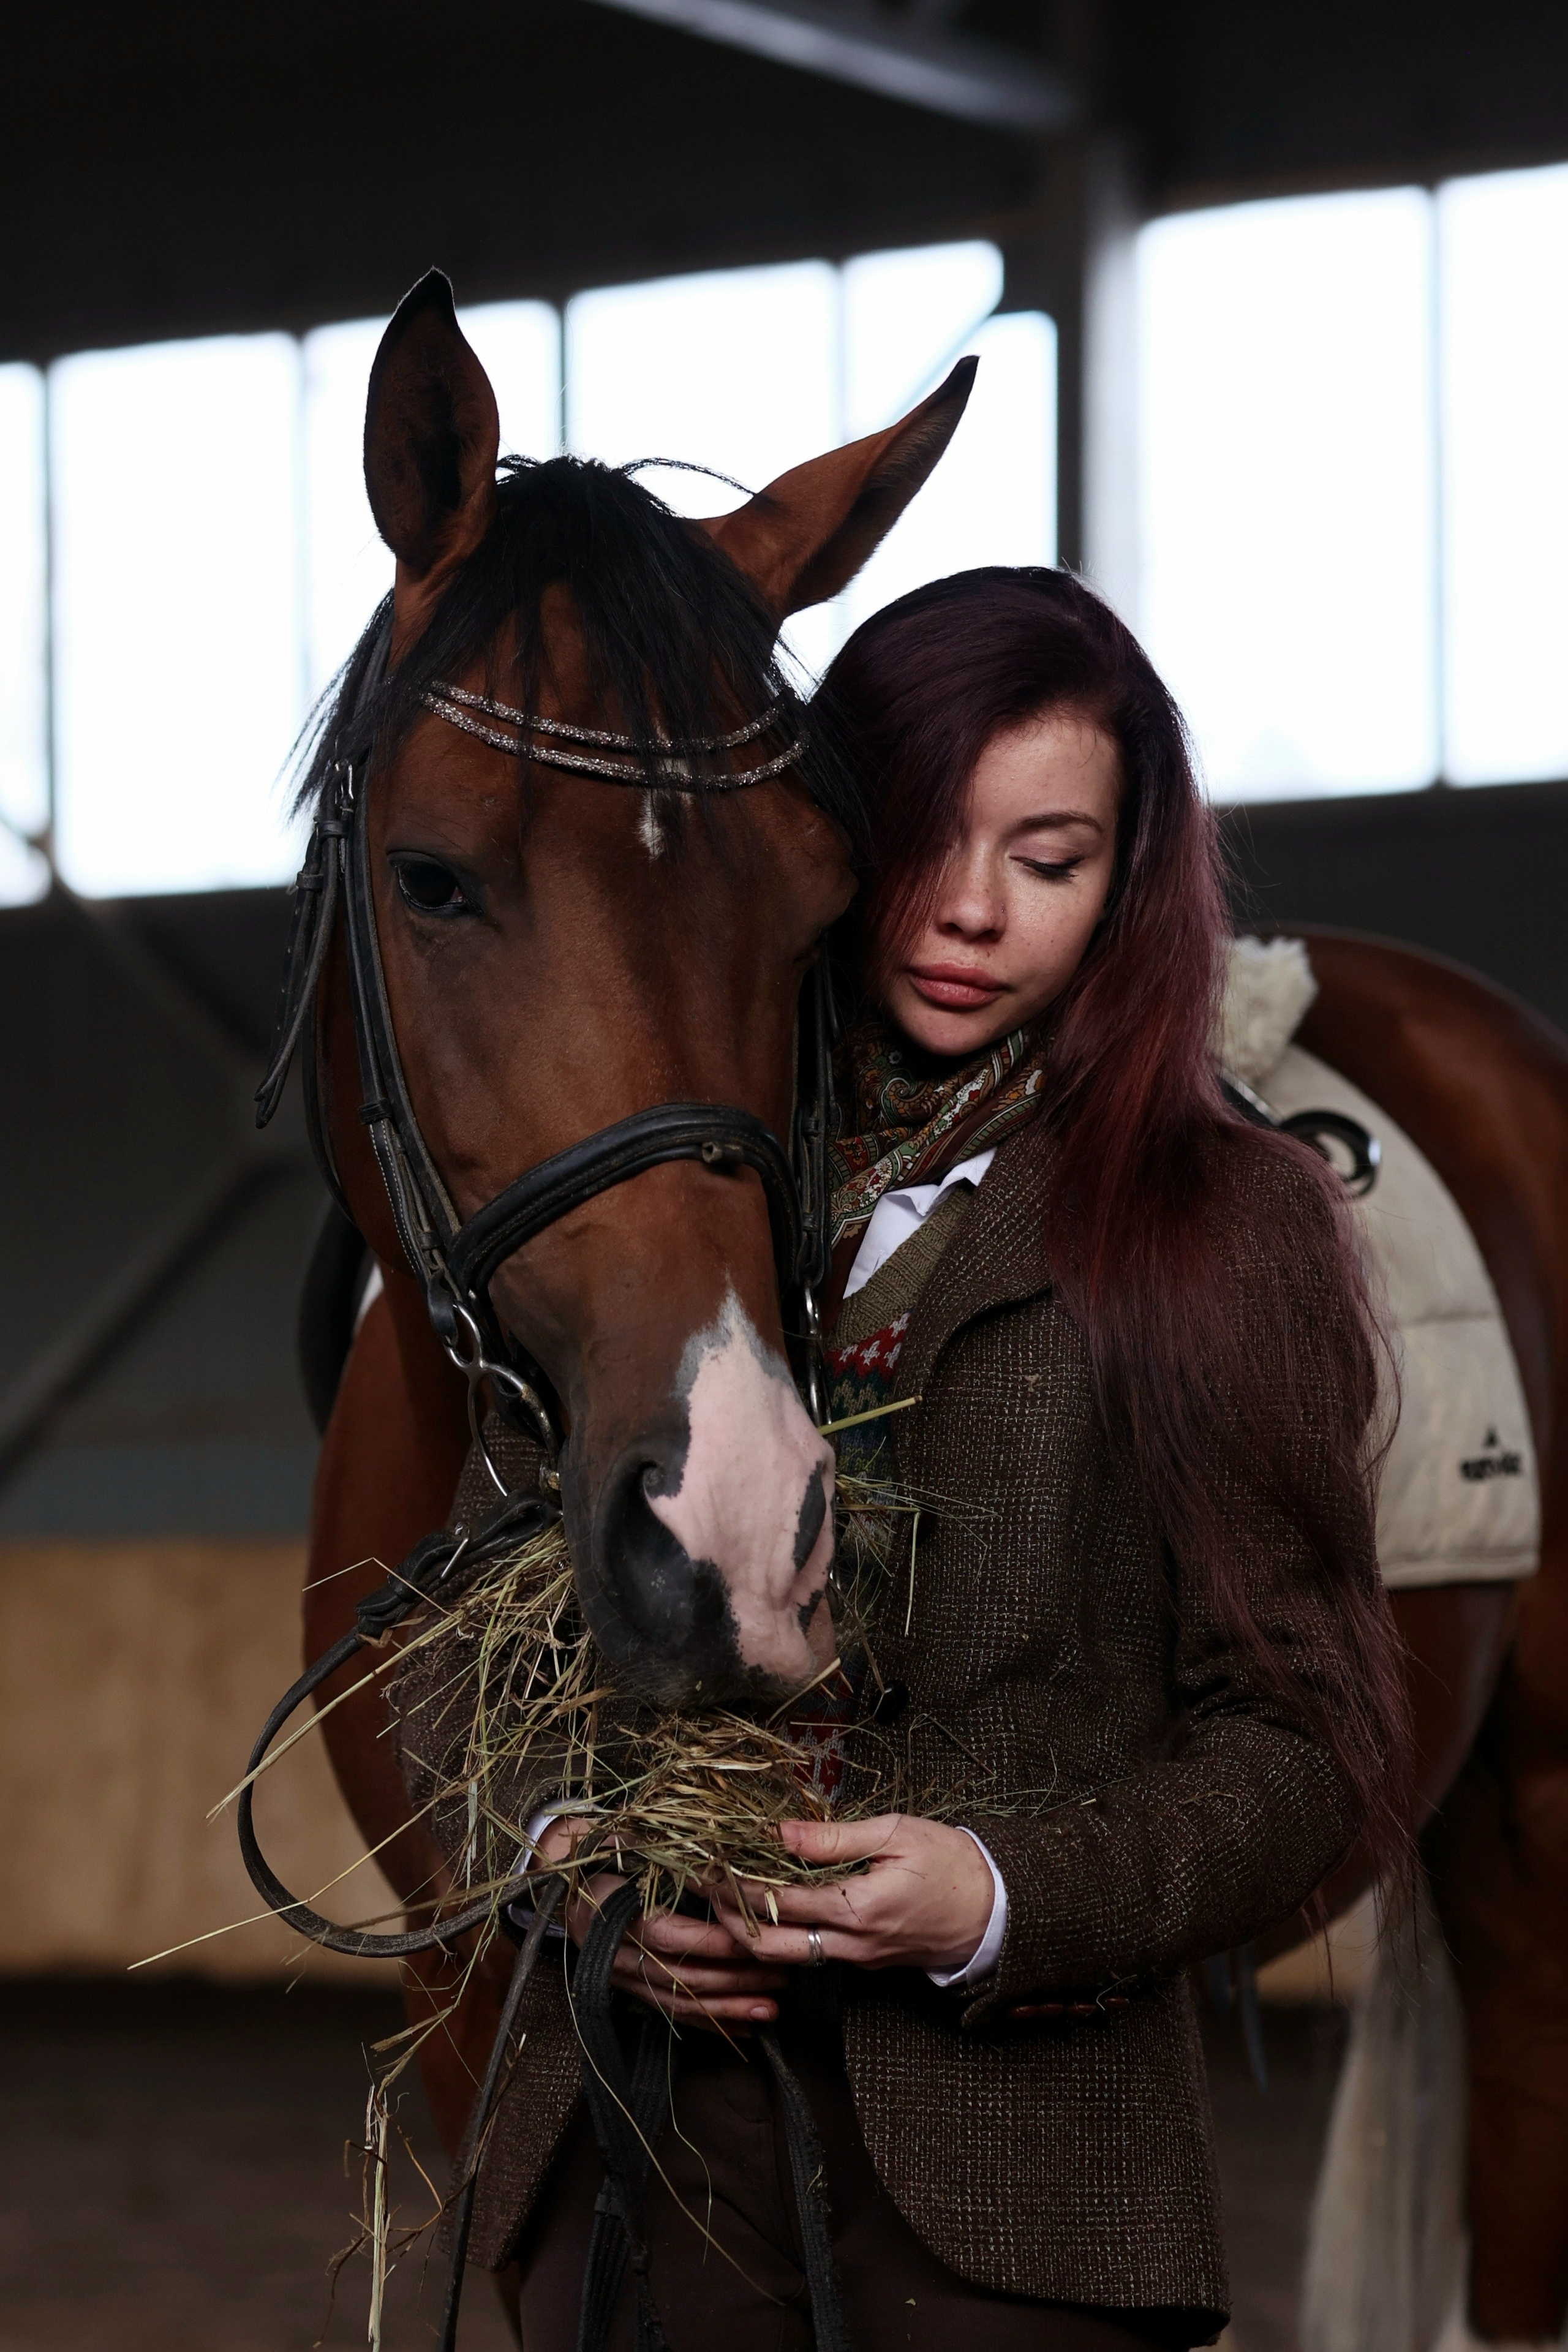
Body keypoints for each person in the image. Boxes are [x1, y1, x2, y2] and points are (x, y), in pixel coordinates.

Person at [406, 566, 1411, 2349]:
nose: (964, 912)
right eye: (927, 835)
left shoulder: (1224, 1223)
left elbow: (1307, 1735)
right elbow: (470, 1635)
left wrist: (998, 1896)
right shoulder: (667, 1201)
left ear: (1128, 882)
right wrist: (569, 1853)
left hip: (1018, 2190)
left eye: (1047, 860)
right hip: (641, 2153)